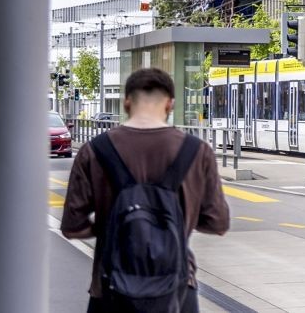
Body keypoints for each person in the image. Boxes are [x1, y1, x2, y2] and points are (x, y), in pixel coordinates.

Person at [61, 66, 229, 313]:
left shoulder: (94, 150)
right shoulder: (197, 151)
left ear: (127, 103)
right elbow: (218, 223)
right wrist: (176, 221)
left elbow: (72, 226)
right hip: (177, 290)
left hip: (110, 289)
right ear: (170, 105)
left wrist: (111, 226)